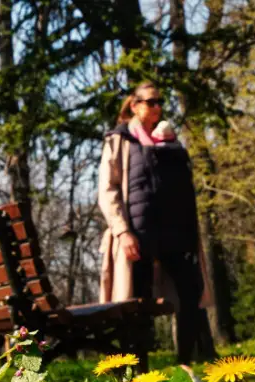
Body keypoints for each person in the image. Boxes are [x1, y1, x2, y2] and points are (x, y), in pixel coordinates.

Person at [97, 81, 216, 367]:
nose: (158, 107)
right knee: (136, 307)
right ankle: (140, 374)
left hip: (176, 236)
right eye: (151, 102)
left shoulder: (171, 142)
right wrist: (122, 231)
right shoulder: (120, 140)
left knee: (191, 295)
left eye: (160, 101)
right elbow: (107, 189)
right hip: (137, 236)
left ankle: (185, 366)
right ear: (135, 105)